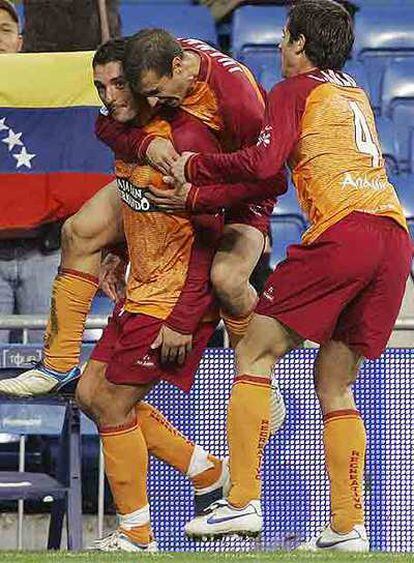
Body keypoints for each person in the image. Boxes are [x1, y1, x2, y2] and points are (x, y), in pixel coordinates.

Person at [175, 0, 412, 552]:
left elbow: (263, 167)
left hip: (344, 234)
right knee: (334, 379)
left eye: (285, 37)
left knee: (255, 347)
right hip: (394, 238)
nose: (279, 47)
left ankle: (239, 502)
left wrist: (194, 171)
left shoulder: (292, 91)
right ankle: (350, 526)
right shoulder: (351, 90)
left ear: (302, 43)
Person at [0, 0, 59, 344]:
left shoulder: (53, 93)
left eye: (5, 30)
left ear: (20, 41)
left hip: (44, 251)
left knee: (49, 360)